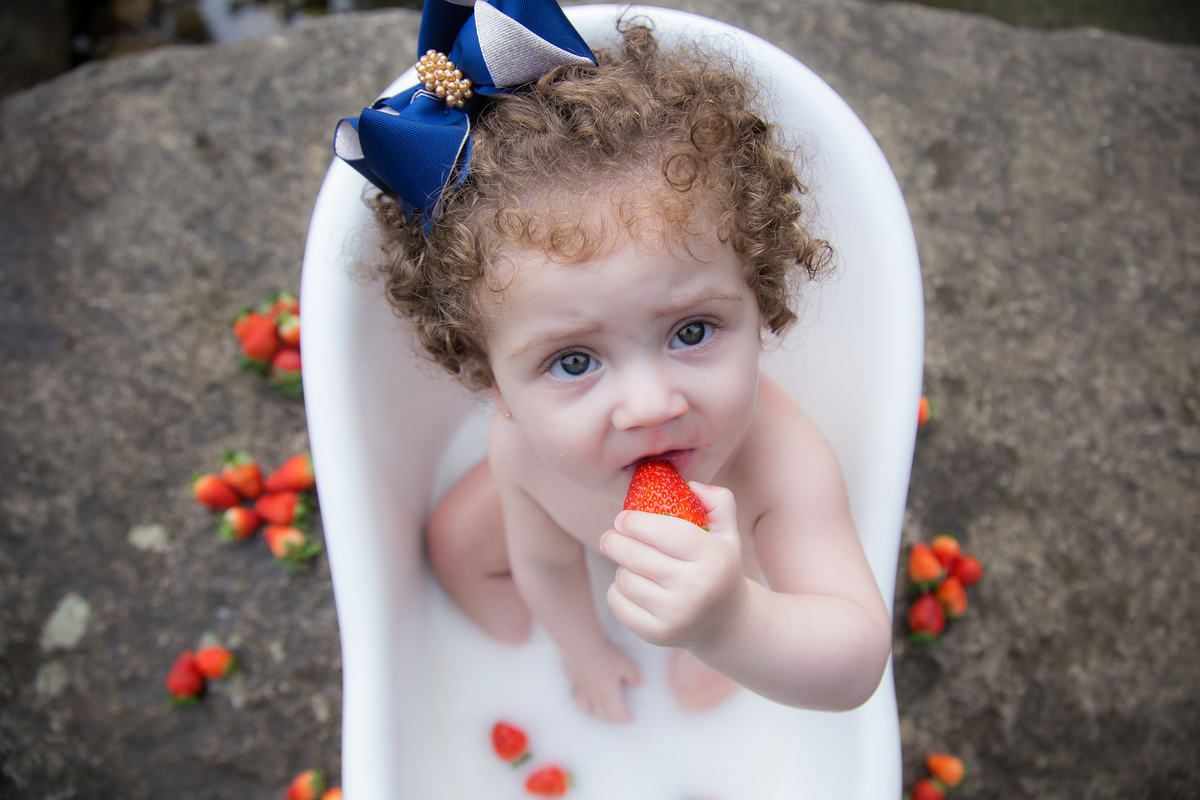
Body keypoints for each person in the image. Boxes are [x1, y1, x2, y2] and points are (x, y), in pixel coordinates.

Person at [335, 0, 892, 724]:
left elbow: (857, 660)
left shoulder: (782, 459)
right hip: (558, 509)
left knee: (725, 652)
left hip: (734, 573)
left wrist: (734, 623)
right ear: (490, 378)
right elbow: (545, 562)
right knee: (453, 545)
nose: (650, 405)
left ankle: (720, 618)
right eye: (573, 362)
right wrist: (581, 650)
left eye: (692, 331)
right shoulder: (523, 450)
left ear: (758, 297)